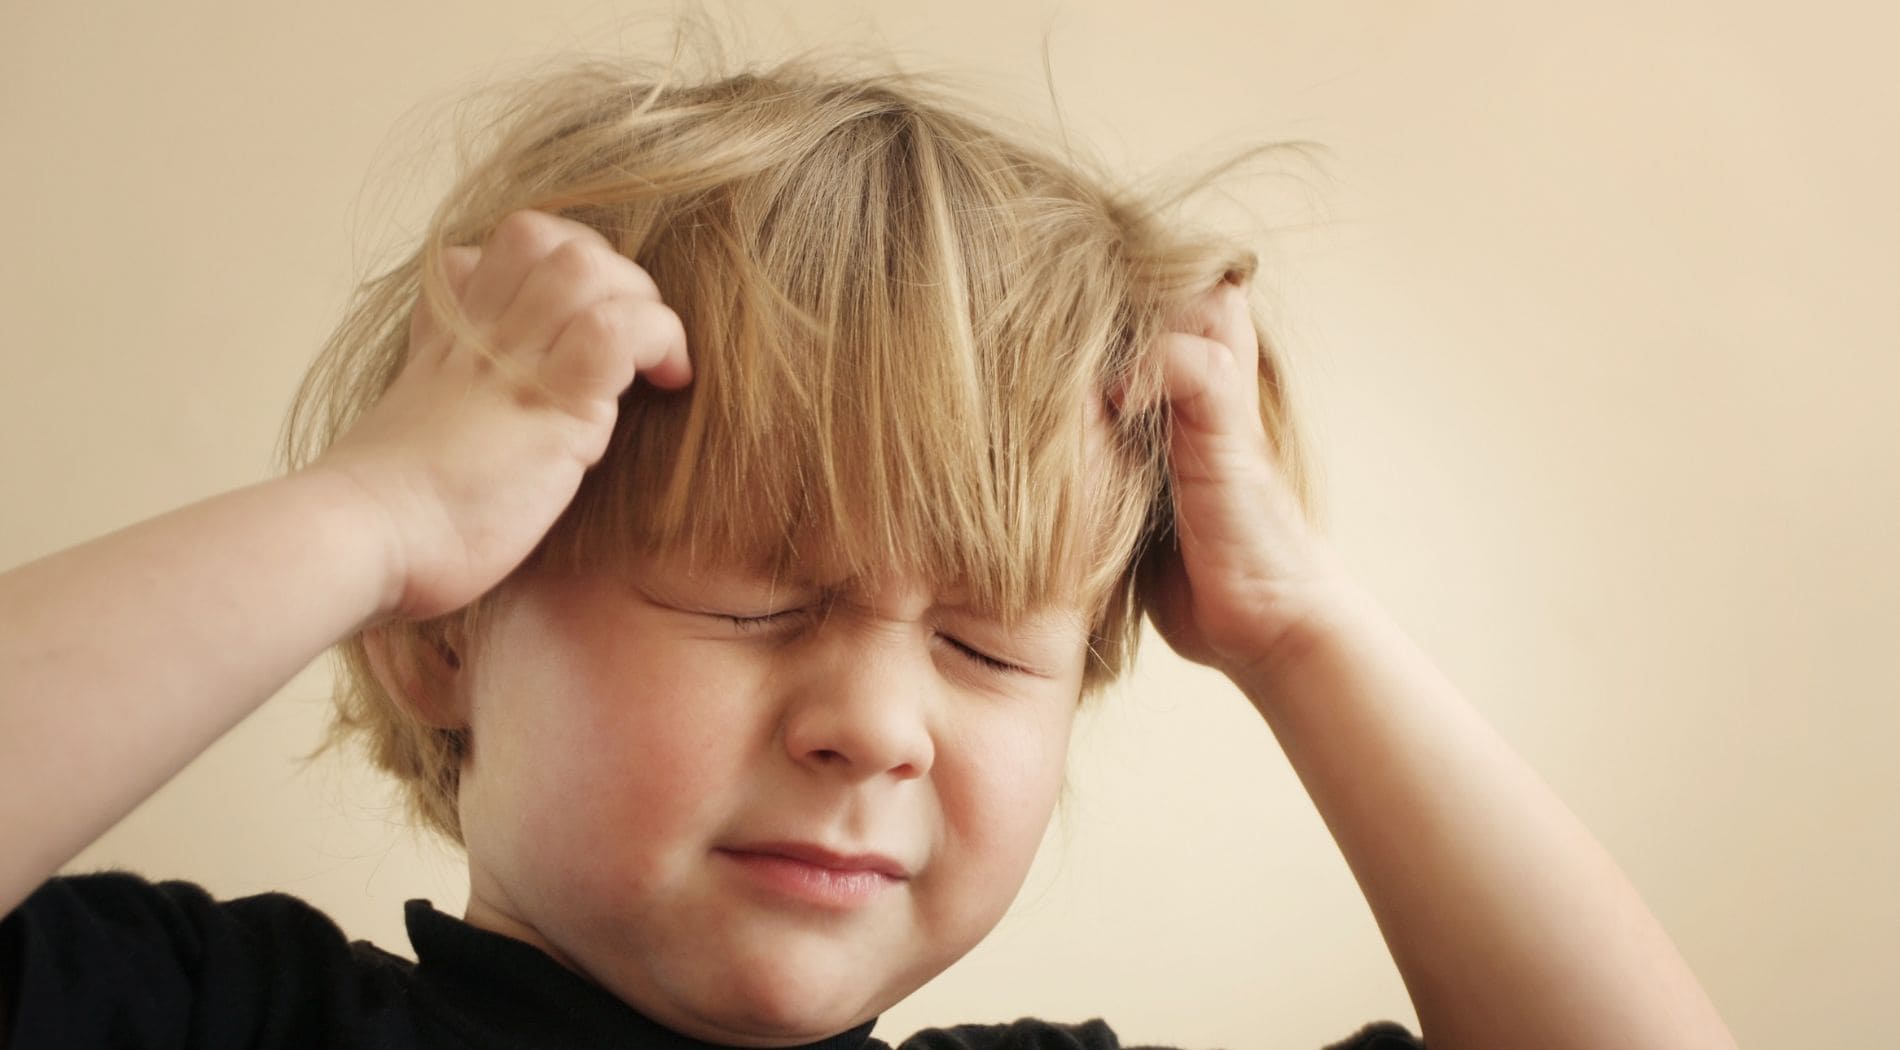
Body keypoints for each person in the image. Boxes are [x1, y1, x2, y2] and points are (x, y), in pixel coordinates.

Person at [0, 52, 1736, 1050]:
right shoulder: (199, 1017)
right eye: (760, 599)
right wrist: (376, 516)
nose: (881, 724)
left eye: (988, 648)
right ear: (445, 633)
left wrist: (1296, 626)